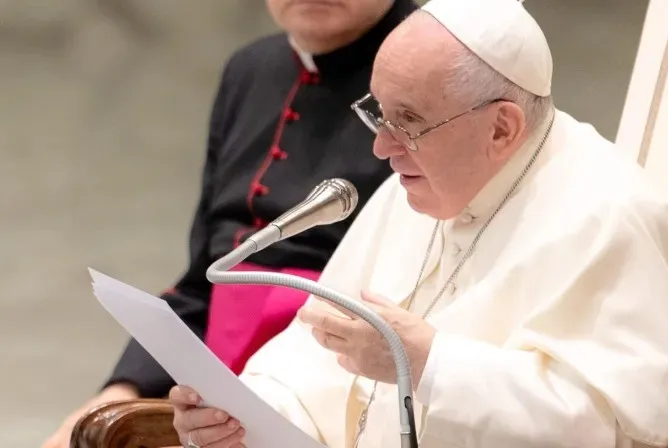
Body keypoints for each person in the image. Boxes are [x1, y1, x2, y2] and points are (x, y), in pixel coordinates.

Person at [168, 0, 668, 447]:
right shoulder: (410, 190)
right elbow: (310, 357)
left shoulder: (610, 216)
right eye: (378, 114)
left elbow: (609, 428)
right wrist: (242, 415)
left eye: (407, 122)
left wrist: (430, 364)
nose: (381, 148)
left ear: (502, 127)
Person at [42, 1, 418, 447]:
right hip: (215, 389)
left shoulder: (436, 67)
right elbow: (204, 279)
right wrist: (120, 390)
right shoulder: (251, 70)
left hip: (344, 394)